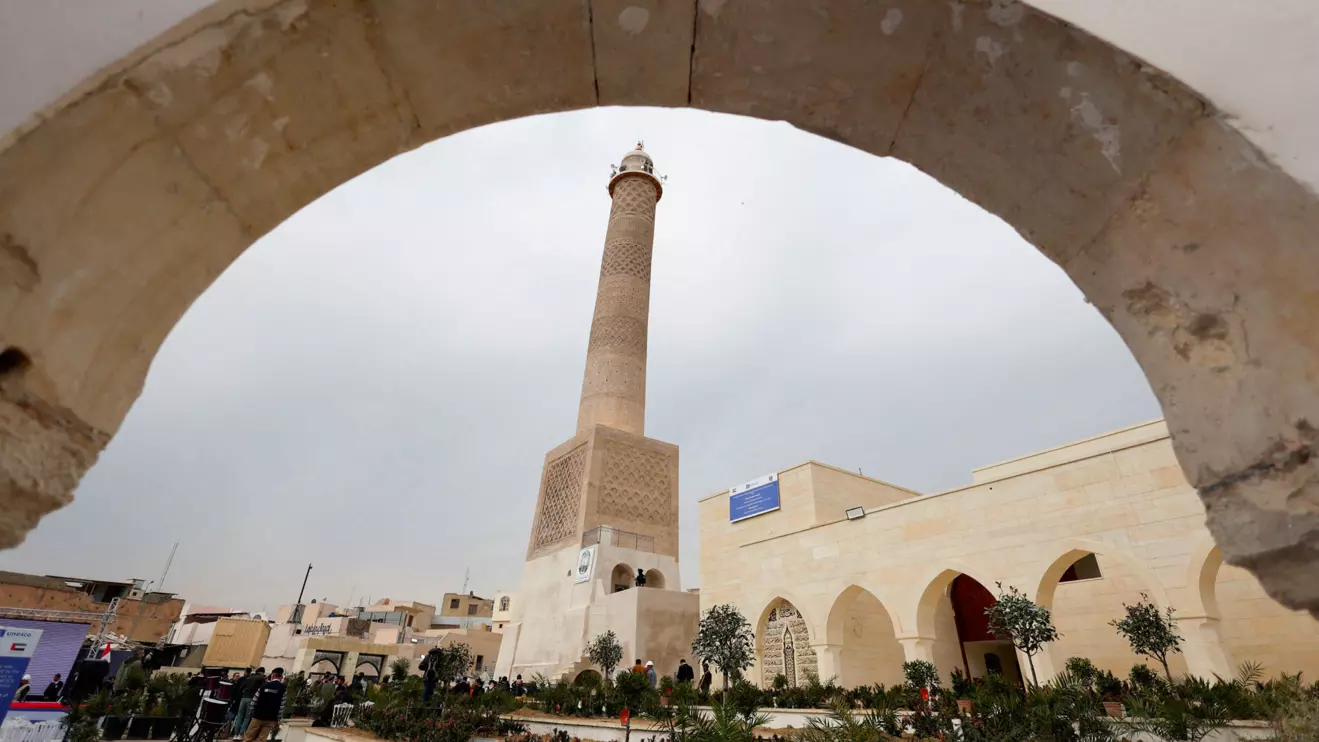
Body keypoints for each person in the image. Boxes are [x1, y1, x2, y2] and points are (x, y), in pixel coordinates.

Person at [242, 668, 285, 742]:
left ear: (273, 675)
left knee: (248, 737)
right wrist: (278, 718)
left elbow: (254, 700)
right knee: (261, 739)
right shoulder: (283, 689)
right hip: (271, 718)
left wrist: (252, 712)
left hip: (258, 716)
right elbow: (282, 706)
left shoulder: (264, 686)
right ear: (281, 677)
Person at [232, 667, 266, 739]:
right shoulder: (261, 678)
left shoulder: (249, 678)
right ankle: (240, 735)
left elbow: (241, 688)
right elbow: (262, 690)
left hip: (243, 698)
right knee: (247, 717)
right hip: (252, 698)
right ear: (262, 672)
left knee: (239, 716)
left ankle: (235, 734)